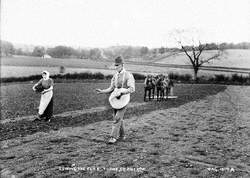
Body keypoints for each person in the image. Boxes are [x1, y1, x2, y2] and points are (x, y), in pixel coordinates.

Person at [96, 56, 135, 144]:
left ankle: (113, 137)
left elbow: (132, 89)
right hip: (115, 99)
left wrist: (122, 92)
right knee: (117, 118)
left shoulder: (128, 75)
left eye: (117, 65)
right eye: (115, 65)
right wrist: (102, 91)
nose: (115, 67)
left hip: (124, 99)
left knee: (117, 118)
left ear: (122, 65)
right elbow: (111, 88)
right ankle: (122, 136)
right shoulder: (115, 76)